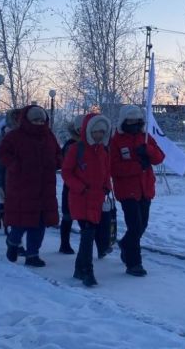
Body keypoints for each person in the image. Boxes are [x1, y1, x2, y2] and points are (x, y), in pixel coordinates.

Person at [0, 106, 60, 267]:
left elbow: (57, 154)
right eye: (35, 120)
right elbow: (3, 154)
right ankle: (13, 241)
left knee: (39, 223)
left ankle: (32, 254)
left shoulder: (49, 136)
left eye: (41, 120)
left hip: (44, 187)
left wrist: (57, 162)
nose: (39, 123)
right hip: (22, 186)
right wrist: (16, 166)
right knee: (21, 222)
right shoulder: (15, 136)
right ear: (27, 120)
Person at [109, 105, 165, 277]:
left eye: (136, 120)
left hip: (145, 188)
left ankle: (126, 244)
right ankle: (134, 263)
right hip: (127, 191)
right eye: (130, 120)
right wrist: (137, 166)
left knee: (142, 225)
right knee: (135, 226)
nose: (134, 123)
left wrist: (148, 150)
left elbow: (159, 157)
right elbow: (113, 167)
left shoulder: (146, 137)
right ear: (124, 121)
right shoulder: (116, 140)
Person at [62, 113, 112, 287]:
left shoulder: (103, 151)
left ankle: (78, 269)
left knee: (88, 235)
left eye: (102, 131)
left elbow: (106, 172)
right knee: (88, 233)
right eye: (96, 131)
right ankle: (87, 271)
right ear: (89, 131)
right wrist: (80, 187)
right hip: (81, 199)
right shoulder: (77, 149)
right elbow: (66, 172)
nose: (99, 134)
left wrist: (107, 187)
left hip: (97, 199)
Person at [0, 109, 20, 231]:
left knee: (7, 204)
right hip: (6, 177)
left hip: (19, 179)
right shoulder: (3, 137)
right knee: (8, 203)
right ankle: (8, 228)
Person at [58, 115, 84, 255]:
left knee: (85, 218)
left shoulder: (93, 144)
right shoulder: (71, 145)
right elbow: (66, 167)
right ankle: (64, 244)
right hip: (71, 186)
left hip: (87, 187)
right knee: (68, 216)